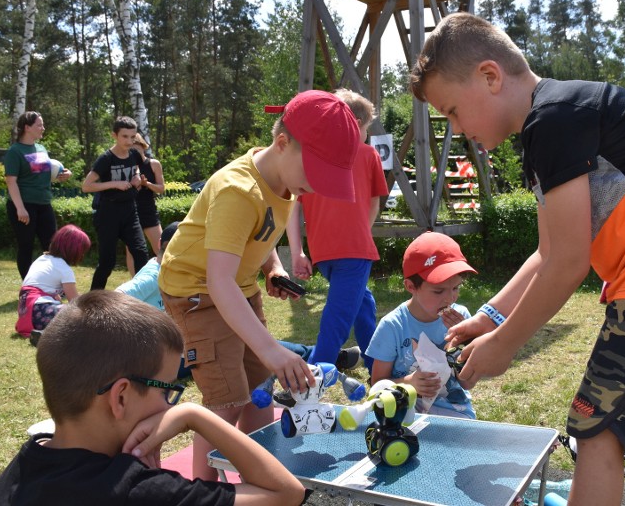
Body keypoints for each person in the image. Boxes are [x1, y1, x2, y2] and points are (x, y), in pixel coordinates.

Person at [410, 12, 625, 506]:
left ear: (490, 77)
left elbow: (571, 262)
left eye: (451, 110)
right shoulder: (551, 123)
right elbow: (549, 250)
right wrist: (489, 318)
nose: (457, 127)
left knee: (596, 428)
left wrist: (505, 344)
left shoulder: (553, 118)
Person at [158, 90, 360, 481]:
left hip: (236, 287)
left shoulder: (285, 181)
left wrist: (273, 268)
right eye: (316, 173)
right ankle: (203, 489)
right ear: (282, 143)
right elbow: (217, 280)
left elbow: (260, 236)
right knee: (225, 403)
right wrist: (272, 350)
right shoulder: (238, 191)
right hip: (197, 292)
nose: (317, 187)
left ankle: (258, 479)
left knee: (258, 394)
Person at [0, 290, 308, 505]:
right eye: (167, 389)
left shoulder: (26, 463)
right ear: (120, 397)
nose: (170, 405)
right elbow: (285, 493)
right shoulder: (137, 490)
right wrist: (195, 415)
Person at [117, 221, 359, 379]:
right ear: (166, 247)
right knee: (243, 348)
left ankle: (322, 355)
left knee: (246, 342)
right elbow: (116, 298)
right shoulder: (154, 274)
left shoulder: (187, 273)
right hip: (166, 359)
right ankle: (326, 356)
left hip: (188, 347)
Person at [286, 88, 389, 372]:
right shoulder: (368, 155)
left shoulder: (308, 157)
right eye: (366, 128)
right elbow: (374, 204)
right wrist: (361, 234)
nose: (366, 135)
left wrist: (298, 252)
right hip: (355, 252)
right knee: (336, 324)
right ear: (355, 124)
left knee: (362, 308)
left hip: (323, 255)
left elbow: (292, 207)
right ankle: (310, 381)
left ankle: (378, 368)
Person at [365, 231, 478, 419]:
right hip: (403, 411)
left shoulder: (463, 318)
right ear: (411, 286)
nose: (450, 298)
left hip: (453, 410)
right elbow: (377, 386)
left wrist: (465, 342)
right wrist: (409, 383)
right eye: (438, 291)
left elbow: (467, 383)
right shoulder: (393, 326)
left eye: (456, 288)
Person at [81, 116, 150, 290]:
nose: (129, 141)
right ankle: (93, 300)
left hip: (129, 211)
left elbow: (137, 168)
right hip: (108, 214)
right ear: (114, 135)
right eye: (124, 136)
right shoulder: (106, 159)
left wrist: (136, 177)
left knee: (141, 254)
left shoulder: (134, 154)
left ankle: (142, 297)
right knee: (107, 262)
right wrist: (115, 184)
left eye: (132, 137)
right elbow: (86, 186)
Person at [4, 111, 72, 279]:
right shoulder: (15, 151)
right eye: (39, 125)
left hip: (43, 204)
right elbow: (11, 182)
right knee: (26, 246)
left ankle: (54, 283)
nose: (43, 128)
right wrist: (20, 208)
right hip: (23, 205)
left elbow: (43, 174)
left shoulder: (41, 148)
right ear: (27, 127)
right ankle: (29, 287)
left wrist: (64, 175)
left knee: (53, 247)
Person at [16, 224, 91, 339]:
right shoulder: (64, 269)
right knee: (80, 315)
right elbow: (75, 301)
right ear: (73, 250)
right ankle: (48, 335)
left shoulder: (42, 259)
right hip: (42, 311)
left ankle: (42, 333)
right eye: (82, 251)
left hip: (27, 314)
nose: (82, 255)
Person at [125, 132, 165, 276]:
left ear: (143, 146)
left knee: (161, 247)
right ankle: (135, 282)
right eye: (130, 150)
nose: (133, 152)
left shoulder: (153, 164)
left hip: (148, 211)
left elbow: (161, 188)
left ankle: (167, 279)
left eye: (136, 148)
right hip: (130, 212)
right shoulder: (127, 167)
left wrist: (146, 184)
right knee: (131, 251)